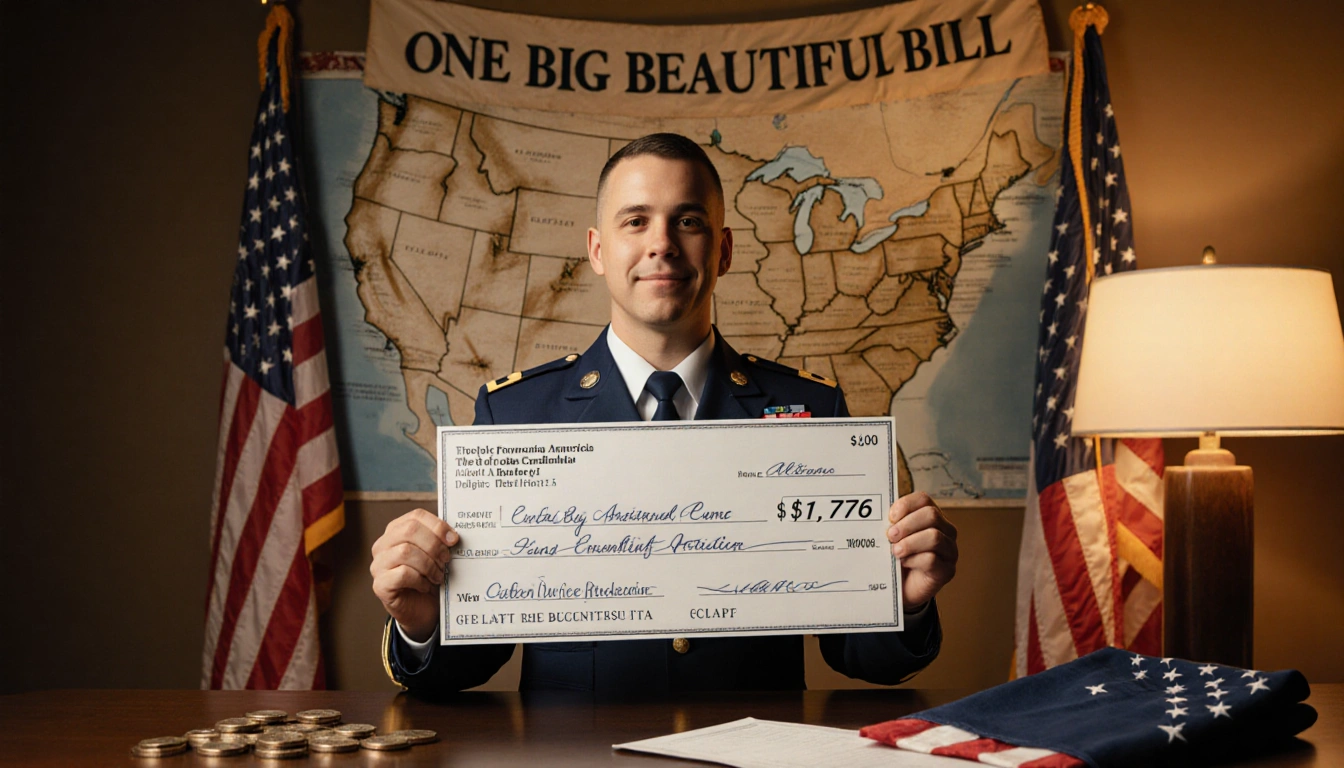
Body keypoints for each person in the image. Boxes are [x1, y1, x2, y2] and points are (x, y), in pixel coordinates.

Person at [371, 133, 958, 694]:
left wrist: (905, 602)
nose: (663, 244)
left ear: (723, 250)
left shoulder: (814, 408)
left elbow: (857, 652)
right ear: (598, 252)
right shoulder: (516, 412)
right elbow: (472, 656)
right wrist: (422, 625)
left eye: (688, 221)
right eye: (636, 220)